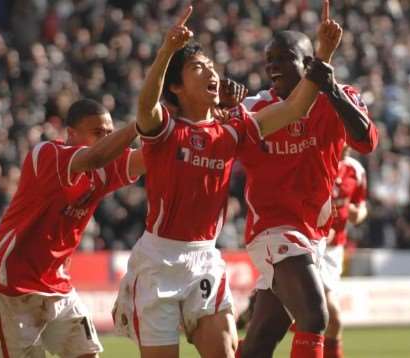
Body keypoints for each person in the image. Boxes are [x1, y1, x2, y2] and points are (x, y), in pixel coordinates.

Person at [112, 4, 341, 358]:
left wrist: (323, 53)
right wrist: (165, 52)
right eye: (198, 68)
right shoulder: (165, 131)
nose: (212, 73)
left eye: (212, 67)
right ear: (176, 85)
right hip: (158, 262)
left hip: (205, 259)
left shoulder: (232, 130)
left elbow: (295, 108)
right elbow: (146, 106)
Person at [237, 1, 378, 357]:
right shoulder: (256, 107)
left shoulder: (339, 97)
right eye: (269, 58)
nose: (272, 65)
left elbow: (366, 141)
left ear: (307, 62)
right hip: (273, 227)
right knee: (314, 317)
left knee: (261, 339)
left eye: (282, 57)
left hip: (312, 232)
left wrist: (329, 88)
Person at [0, 98, 145, 358]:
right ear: (71, 134)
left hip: (57, 286)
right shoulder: (47, 155)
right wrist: (140, 124)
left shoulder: (104, 168)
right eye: (98, 133)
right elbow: (96, 156)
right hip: (9, 287)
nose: (107, 139)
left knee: (87, 353)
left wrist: (177, 124)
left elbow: (146, 160)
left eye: (110, 133)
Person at [320, 146, 368, 358]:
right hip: (308, 245)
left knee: (332, 321)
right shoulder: (317, 158)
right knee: (330, 316)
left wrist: (357, 214)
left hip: (333, 251)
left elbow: (361, 206)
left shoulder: (355, 170)